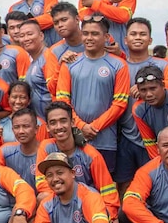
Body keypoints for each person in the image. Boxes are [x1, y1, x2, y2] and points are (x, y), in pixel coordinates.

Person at [53, 16, 132, 180]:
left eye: (95, 33)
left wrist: (94, 127)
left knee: (104, 186)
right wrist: (81, 126)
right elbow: (62, 102)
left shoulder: (119, 65)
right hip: (73, 138)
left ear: (106, 37)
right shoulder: (70, 63)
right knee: (72, 182)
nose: (89, 38)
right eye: (86, 33)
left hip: (105, 140)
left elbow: (120, 103)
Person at [0, 107, 47, 186]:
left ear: (36, 129)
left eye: (26, 126)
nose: (21, 131)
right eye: (16, 127)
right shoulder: (5, 151)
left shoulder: (47, 152)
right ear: (12, 130)